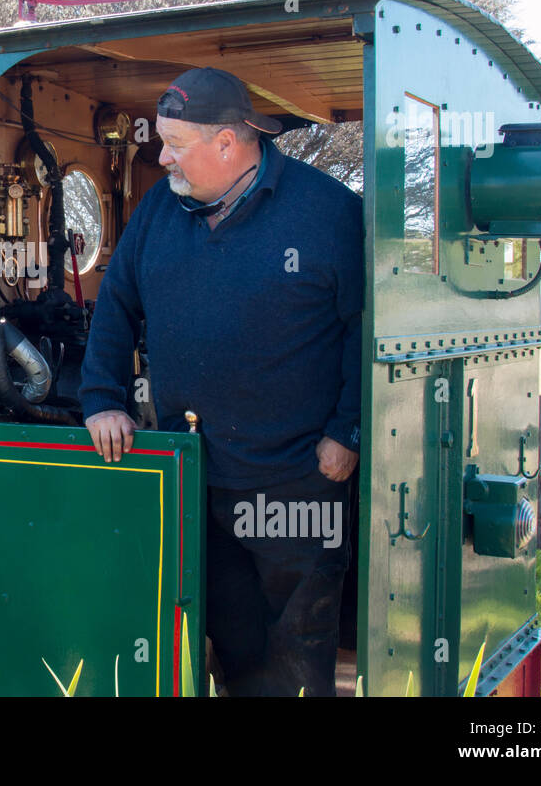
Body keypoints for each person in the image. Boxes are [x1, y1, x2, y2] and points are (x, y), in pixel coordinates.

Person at [80, 67, 363, 696]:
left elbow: (362, 330)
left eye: (176, 144)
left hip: (297, 479)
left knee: (297, 645)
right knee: (231, 636)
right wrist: (103, 399)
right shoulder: (160, 208)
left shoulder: (329, 212)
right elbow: (117, 302)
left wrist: (347, 430)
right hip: (196, 475)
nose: (162, 156)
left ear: (229, 143)